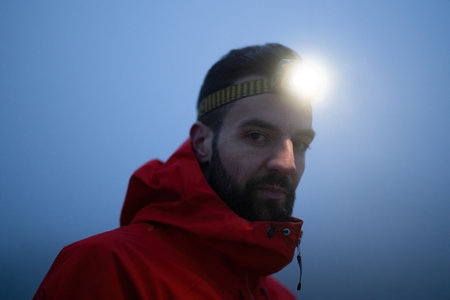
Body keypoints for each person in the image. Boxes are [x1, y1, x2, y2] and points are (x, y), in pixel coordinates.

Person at [33, 43, 315, 300]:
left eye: (300, 143)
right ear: (202, 143)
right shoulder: (108, 267)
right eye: (256, 136)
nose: (287, 163)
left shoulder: (280, 297)